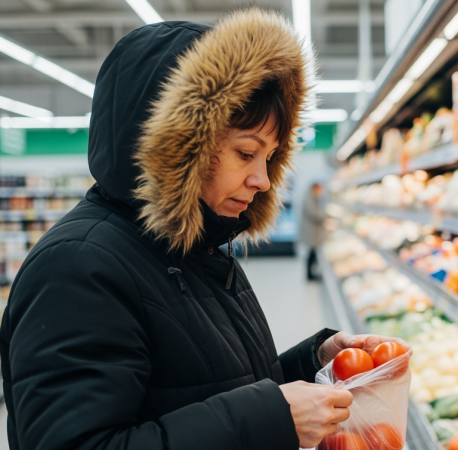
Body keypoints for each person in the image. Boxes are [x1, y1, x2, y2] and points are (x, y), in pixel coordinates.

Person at [0, 9, 405, 450]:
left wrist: (313, 365)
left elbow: (215, 388)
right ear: (180, 150)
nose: (263, 181)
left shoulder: (198, 251)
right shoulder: (78, 268)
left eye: (269, 157)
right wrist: (271, 417)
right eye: (246, 153)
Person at [301, 182, 327, 280]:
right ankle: (310, 275)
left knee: (313, 252)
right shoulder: (309, 198)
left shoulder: (312, 197)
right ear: (315, 189)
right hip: (311, 231)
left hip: (312, 230)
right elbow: (315, 214)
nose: (321, 192)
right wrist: (326, 215)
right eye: (320, 190)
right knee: (312, 252)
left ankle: (312, 273)